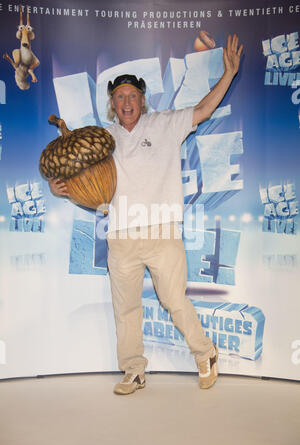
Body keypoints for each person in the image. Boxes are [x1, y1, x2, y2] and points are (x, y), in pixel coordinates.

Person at [49, 34, 243, 395]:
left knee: (173, 300)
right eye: (120, 97)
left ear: (142, 100)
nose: (127, 102)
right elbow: (78, 176)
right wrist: (59, 188)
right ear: (112, 103)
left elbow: (201, 111)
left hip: (162, 232)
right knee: (126, 309)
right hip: (120, 237)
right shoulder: (101, 140)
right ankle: (134, 370)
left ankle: (206, 353)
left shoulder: (166, 124)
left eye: (132, 96)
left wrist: (228, 75)